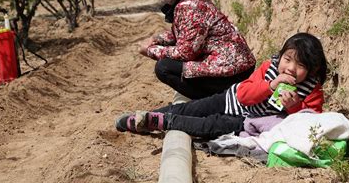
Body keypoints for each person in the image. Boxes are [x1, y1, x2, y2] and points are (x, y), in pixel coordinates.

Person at [116, 32, 328, 139]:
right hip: (230, 100)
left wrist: (294, 108)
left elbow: (309, 124)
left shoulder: (311, 90)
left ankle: (162, 122)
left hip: (244, 122)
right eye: (288, 59)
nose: (291, 68)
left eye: (301, 65)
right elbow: (244, 95)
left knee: (208, 126)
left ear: (313, 70)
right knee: (189, 108)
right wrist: (270, 86)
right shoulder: (269, 69)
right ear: (280, 56)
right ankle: (142, 117)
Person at [139, 0, 256, 99]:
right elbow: (185, 35)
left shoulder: (190, 6)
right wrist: (156, 39)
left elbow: (185, 53)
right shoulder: (194, 1)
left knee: (164, 67)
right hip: (237, 65)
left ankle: (210, 102)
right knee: (169, 62)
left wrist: (150, 50)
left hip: (230, 70)